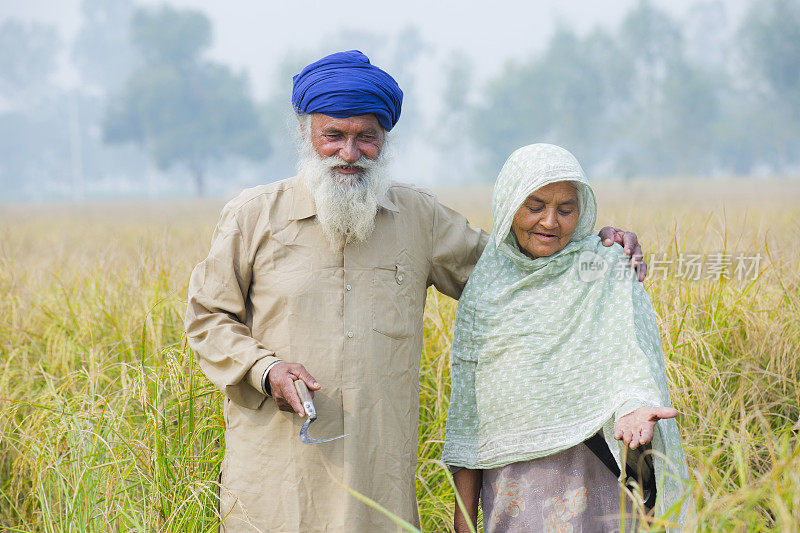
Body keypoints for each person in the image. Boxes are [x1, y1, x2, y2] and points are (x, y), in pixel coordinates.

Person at [184, 51, 648, 532]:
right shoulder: (253, 216)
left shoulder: (417, 217)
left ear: (385, 139)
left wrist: (598, 250)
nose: (350, 152)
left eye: (367, 137)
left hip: (377, 476)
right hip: (276, 471)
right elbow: (207, 319)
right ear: (306, 133)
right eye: (334, 136)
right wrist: (267, 369)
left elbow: (514, 269)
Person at [442, 144, 691, 533]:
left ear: (583, 210)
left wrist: (635, 404)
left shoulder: (603, 263)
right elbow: (469, 417)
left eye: (566, 209)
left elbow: (632, 352)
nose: (550, 222)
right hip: (513, 489)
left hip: (592, 473)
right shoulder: (486, 287)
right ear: (509, 205)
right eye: (535, 205)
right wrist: (463, 522)